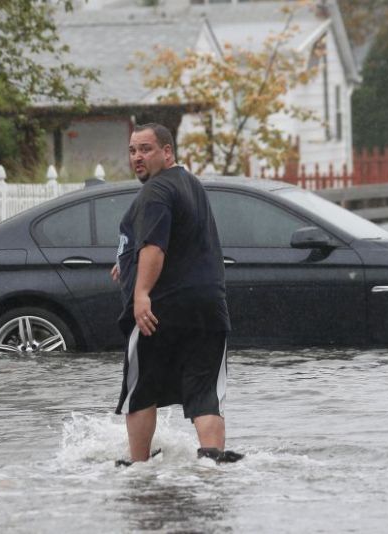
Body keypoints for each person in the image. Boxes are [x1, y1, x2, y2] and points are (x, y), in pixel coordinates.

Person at [112, 123, 242, 465]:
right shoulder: (192, 185)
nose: (137, 157)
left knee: (141, 393)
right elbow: (176, 242)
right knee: (205, 395)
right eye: (132, 150)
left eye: (146, 149)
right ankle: (211, 463)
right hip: (208, 310)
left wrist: (140, 292)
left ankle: (137, 467)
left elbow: (155, 246)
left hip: (160, 310)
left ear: (167, 152)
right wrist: (125, 264)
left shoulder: (155, 191)